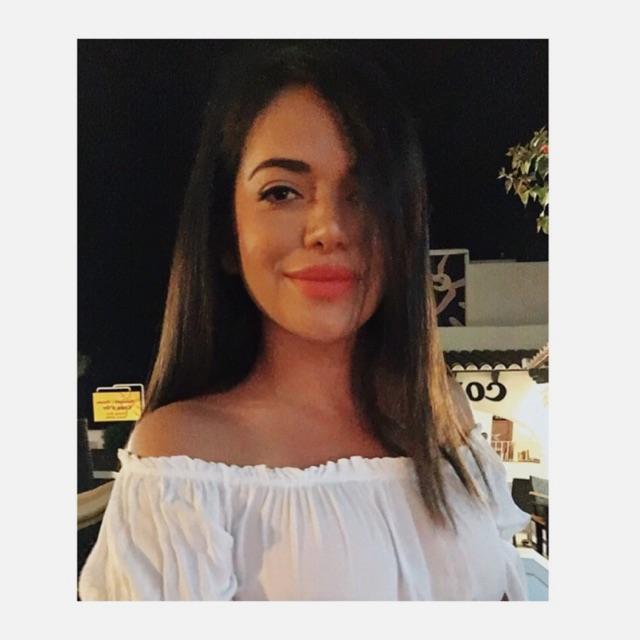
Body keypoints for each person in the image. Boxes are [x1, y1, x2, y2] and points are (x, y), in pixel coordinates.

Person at [78, 41, 530, 601]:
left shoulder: (442, 415)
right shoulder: (182, 462)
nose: (328, 229)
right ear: (227, 234)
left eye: (363, 193)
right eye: (282, 192)